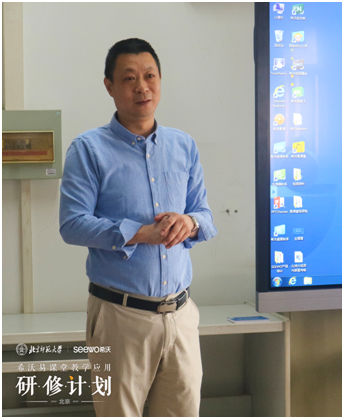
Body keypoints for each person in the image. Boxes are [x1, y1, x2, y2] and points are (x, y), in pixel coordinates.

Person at [59, 38, 217, 416]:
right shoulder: (88, 149)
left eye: (150, 76)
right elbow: (72, 224)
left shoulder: (183, 146)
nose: (142, 87)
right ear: (110, 86)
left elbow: (205, 216)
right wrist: (139, 233)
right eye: (129, 78)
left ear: (160, 80)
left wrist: (189, 222)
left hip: (180, 315)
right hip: (120, 317)